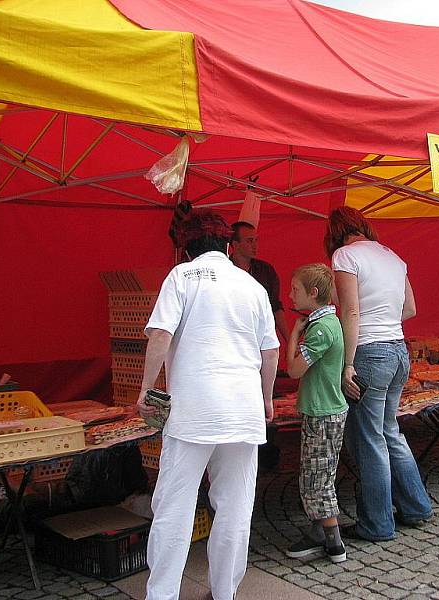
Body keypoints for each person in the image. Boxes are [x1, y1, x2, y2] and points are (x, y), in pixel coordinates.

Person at [137, 209, 279, 600]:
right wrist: (266, 399)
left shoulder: (181, 277)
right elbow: (270, 351)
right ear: (228, 245)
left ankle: (162, 594)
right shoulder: (251, 285)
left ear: (185, 248)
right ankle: (224, 593)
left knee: (174, 506)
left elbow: (161, 335)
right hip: (244, 407)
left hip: (193, 411)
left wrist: (147, 389)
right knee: (235, 508)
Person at [325, 206, 433, 542]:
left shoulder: (345, 256)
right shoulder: (392, 257)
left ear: (335, 232)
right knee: (390, 432)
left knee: (371, 440)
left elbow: (351, 312)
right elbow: (410, 309)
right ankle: (416, 507)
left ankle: (377, 524)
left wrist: (346, 364)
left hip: (370, 352)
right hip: (398, 350)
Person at [284, 264, 348, 563]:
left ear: (314, 293)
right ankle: (319, 533)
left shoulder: (320, 329)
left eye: (295, 290)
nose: (290, 295)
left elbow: (294, 370)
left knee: (316, 478)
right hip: (324, 409)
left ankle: (334, 543)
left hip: (323, 412)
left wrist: (294, 336)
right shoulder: (327, 323)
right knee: (320, 472)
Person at [230, 221, 290, 343]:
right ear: (235, 244)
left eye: (256, 240)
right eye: (249, 241)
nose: (255, 245)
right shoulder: (224, 270)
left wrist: (289, 340)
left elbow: (276, 307)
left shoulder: (266, 270)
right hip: (233, 337)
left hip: (261, 337)